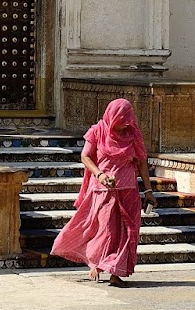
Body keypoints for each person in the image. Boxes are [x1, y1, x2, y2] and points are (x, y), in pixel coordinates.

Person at [51, 97, 156, 285]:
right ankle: (96, 262)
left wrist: (148, 191)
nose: (124, 125)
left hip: (128, 191)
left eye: (127, 121)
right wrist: (100, 174)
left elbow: (141, 162)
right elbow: (85, 156)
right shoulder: (98, 131)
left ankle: (116, 273)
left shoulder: (133, 134)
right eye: (120, 122)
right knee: (106, 231)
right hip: (103, 191)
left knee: (127, 232)